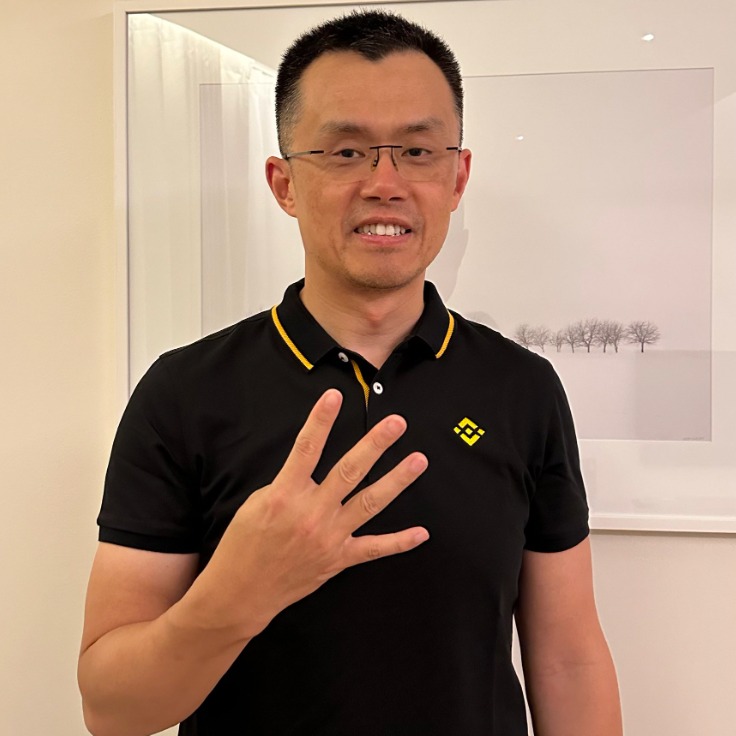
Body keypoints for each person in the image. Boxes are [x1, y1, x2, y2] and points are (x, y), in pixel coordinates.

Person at [79, 10, 622, 736]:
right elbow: (112, 709)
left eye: (417, 151)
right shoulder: (183, 394)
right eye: (345, 152)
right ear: (284, 184)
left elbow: (569, 659)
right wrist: (235, 597)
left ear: (457, 177)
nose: (384, 183)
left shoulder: (522, 389)